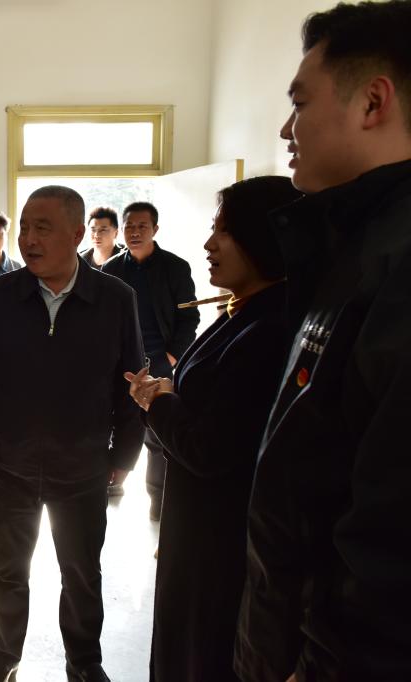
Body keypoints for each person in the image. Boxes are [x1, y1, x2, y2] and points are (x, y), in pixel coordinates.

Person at [235, 2, 411, 680]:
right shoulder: (350, 248)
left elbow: (389, 545)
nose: (287, 129)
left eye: (300, 103)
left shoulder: (395, 265)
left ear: (372, 102)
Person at [0, 185, 145, 682]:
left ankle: (84, 662)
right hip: (12, 463)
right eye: (25, 227)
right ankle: (3, 656)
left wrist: (125, 455)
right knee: (6, 568)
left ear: (77, 233)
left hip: (83, 465)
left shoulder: (115, 298)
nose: (28, 239)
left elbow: (132, 380)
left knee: (82, 572)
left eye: (42, 228)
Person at [123, 177, 301, 682]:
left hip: (221, 540)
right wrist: (165, 397)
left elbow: (209, 447)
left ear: (265, 238)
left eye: (224, 231)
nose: (209, 244)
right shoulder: (242, 310)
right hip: (196, 528)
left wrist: (158, 400)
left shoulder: (270, 328)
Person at [100, 202, 197, 516]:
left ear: (155, 229)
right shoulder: (111, 269)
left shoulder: (175, 267)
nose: (135, 232)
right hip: (122, 365)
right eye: (129, 226)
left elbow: (189, 318)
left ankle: (158, 497)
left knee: (158, 435)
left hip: (160, 362)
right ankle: (114, 481)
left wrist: (171, 356)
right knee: (118, 425)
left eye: (142, 226)